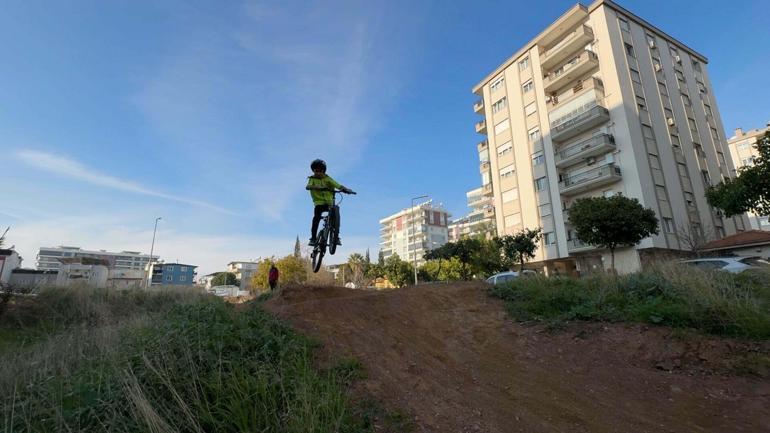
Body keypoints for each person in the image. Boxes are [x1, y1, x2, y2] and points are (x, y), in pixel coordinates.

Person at [306, 159, 354, 246]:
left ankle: (336, 237)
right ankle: (313, 238)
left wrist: (346, 190)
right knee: (316, 218)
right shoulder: (312, 179)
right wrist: (317, 187)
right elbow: (308, 186)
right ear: (313, 171)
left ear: (324, 171)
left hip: (329, 203)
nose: (318, 173)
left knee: (336, 211)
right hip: (319, 203)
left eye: (320, 171)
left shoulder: (328, 179)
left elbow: (337, 185)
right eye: (316, 171)